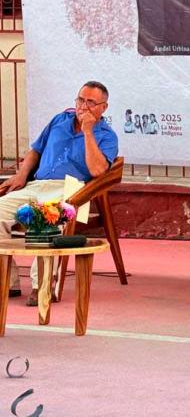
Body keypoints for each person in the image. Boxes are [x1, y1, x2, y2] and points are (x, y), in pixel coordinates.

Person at [0, 81, 118, 303]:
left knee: (47, 220)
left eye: (91, 102)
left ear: (103, 107)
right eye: (80, 100)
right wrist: (21, 174)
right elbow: (35, 150)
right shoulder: (59, 120)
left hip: (71, 189)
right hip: (36, 184)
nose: (83, 106)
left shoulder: (107, 136)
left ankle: (41, 285)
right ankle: (7, 281)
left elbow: (97, 170)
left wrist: (88, 131)